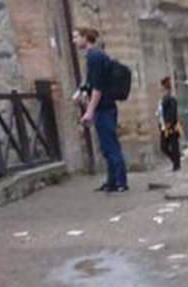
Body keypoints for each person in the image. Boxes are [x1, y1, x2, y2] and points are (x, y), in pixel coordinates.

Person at [73, 27, 128, 193]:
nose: (74, 40)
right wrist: (81, 92)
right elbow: (91, 83)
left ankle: (120, 182)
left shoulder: (94, 57)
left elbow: (98, 88)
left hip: (104, 107)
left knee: (110, 146)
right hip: (105, 106)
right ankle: (112, 181)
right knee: (106, 146)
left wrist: (89, 111)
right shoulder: (97, 56)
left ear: (85, 38)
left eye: (76, 37)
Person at [157, 76, 181, 172]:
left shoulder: (170, 98)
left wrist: (170, 124)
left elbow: (173, 113)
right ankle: (176, 161)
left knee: (173, 145)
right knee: (163, 147)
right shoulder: (162, 99)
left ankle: (176, 164)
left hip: (170, 126)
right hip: (164, 126)